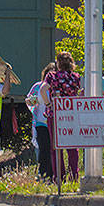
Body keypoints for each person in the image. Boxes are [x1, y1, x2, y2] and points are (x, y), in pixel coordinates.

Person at [41, 52, 82, 182]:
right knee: (72, 147)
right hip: (71, 114)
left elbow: (42, 90)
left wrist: (49, 104)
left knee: (56, 147)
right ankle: (74, 176)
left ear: (58, 63)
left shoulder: (52, 76)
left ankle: (59, 176)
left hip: (55, 114)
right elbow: (83, 92)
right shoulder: (76, 77)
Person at [27, 63, 55, 181]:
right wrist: (30, 101)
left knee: (53, 149)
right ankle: (44, 174)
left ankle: (54, 174)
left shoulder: (57, 86)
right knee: (44, 149)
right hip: (41, 122)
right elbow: (31, 100)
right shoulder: (38, 86)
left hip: (55, 122)